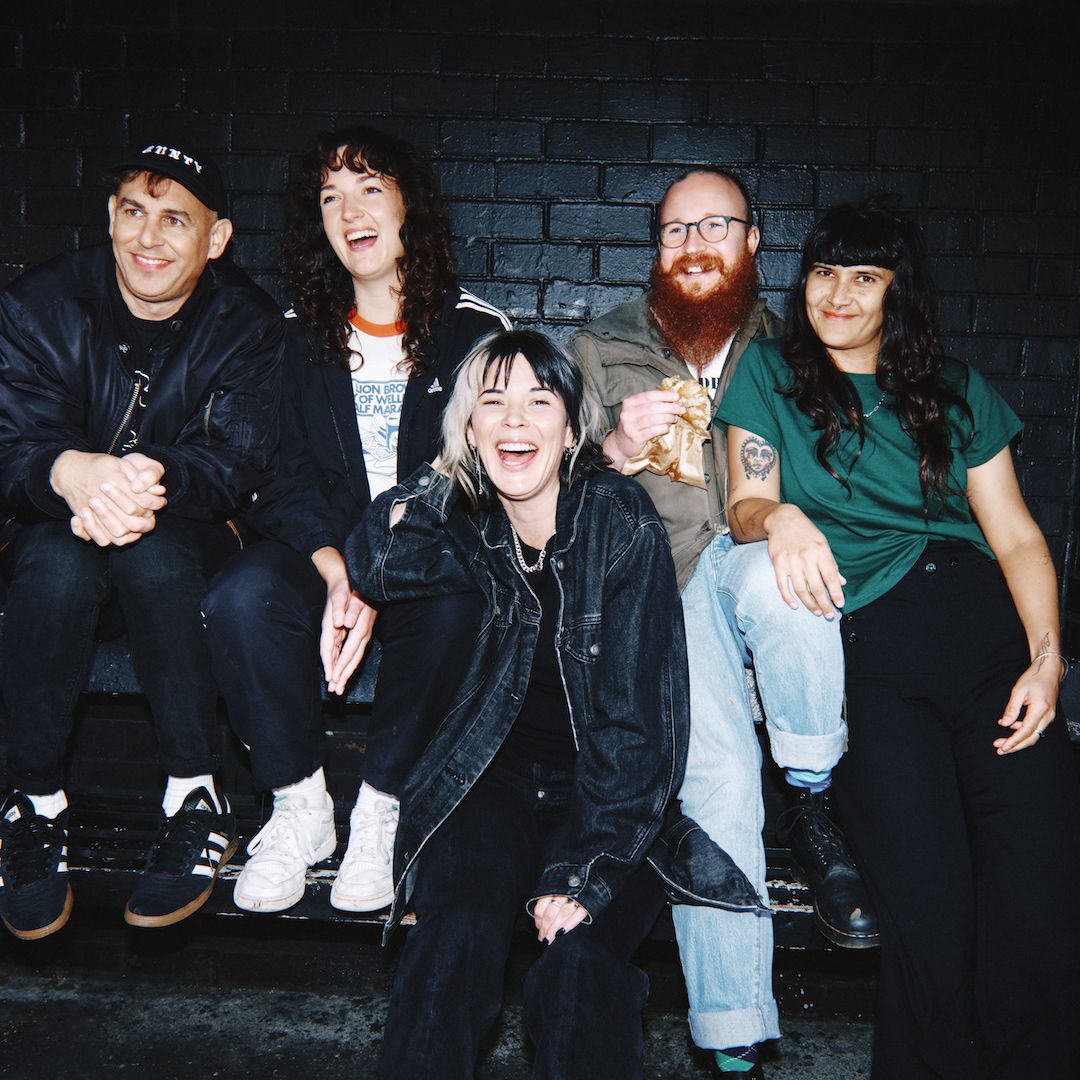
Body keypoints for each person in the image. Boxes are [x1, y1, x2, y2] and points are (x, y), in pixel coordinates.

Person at [717, 198, 1080, 1079]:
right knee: (929, 907)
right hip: (872, 651)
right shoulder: (769, 373)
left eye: (864, 277)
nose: (837, 295)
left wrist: (1047, 659)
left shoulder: (955, 389)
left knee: (1040, 887)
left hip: (987, 640)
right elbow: (745, 501)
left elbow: (1017, 537)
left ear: (897, 291)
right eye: (824, 272)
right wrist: (781, 518)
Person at [345, 329, 764, 1080]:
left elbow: (639, 729)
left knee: (577, 963)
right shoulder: (464, 519)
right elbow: (376, 562)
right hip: (488, 783)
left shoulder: (619, 521)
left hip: (606, 798)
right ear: (469, 427)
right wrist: (442, 472)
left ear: (572, 432)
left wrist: (587, 869)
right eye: (491, 403)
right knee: (451, 937)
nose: (514, 419)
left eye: (539, 402)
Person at [570, 168, 874, 1076]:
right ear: (656, 248)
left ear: (752, 241)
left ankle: (812, 794)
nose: (694, 245)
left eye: (716, 226)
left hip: (751, 566)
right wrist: (613, 448)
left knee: (782, 577)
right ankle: (735, 1027)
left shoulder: (796, 349)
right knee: (719, 782)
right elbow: (542, 487)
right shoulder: (599, 346)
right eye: (675, 230)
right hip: (658, 590)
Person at [202, 126, 509, 914]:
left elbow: (474, 483)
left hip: (430, 561)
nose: (350, 212)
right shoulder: (294, 337)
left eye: (371, 189)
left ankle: (381, 810)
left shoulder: (476, 335)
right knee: (241, 593)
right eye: (331, 197)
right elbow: (278, 471)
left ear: (410, 207)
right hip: (326, 556)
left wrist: (375, 572)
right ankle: (300, 807)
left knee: (458, 604)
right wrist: (336, 566)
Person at [0, 141, 284, 938]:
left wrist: (142, 475)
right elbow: (11, 444)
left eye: (175, 220)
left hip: (183, 543)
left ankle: (196, 794)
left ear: (216, 239)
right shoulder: (38, 304)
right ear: (110, 217)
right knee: (57, 557)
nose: (148, 238)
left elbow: (236, 462)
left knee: (151, 550)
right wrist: (69, 471)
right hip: (56, 536)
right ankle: (32, 802)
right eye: (133, 212)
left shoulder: (248, 323)